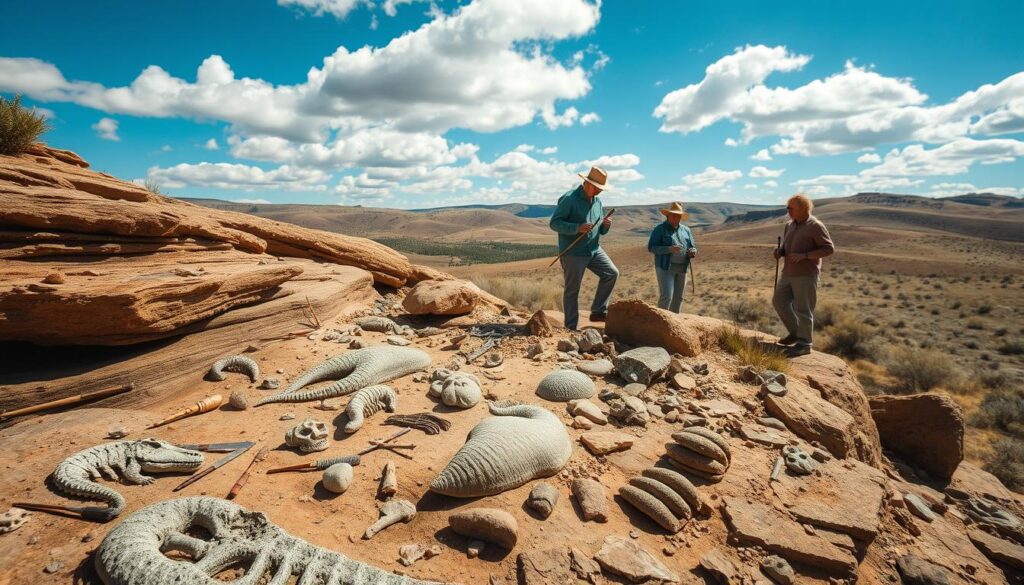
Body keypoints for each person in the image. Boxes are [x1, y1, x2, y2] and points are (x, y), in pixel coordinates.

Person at [548, 166, 618, 330]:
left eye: (601, 188)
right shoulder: (569, 199)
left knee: (612, 273)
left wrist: (606, 225)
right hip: (573, 253)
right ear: (588, 183)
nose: (600, 191)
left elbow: (601, 229)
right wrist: (577, 228)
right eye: (598, 188)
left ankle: (598, 311)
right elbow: (554, 223)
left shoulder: (597, 201)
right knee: (572, 290)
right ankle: (571, 328)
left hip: (593, 249)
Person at [773, 194, 835, 356]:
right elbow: (787, 247)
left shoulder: (815, 226)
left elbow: (828, 249)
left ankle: (805, 343)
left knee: (803, 309)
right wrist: (780, 251)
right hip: (788, 272)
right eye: (787, 208)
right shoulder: (789, 225)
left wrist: (805, 255)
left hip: (806, 274)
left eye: (791, 208)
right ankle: (795, 333)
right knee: (779, 301)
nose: (788, 211)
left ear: (803, 208)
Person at [647, 202, 696, 313]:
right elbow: (652, 247)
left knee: (679, 298)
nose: (676, 218)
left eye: (678, 216)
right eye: (673, 215)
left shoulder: (686, 230)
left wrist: (692, 252)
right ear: (667, 216)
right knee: (667, 296)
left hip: (682, 268)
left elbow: (693, 247)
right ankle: (660, 322)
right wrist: (669, 249)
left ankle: (674, 322)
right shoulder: (659, 229)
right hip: (665, 267)